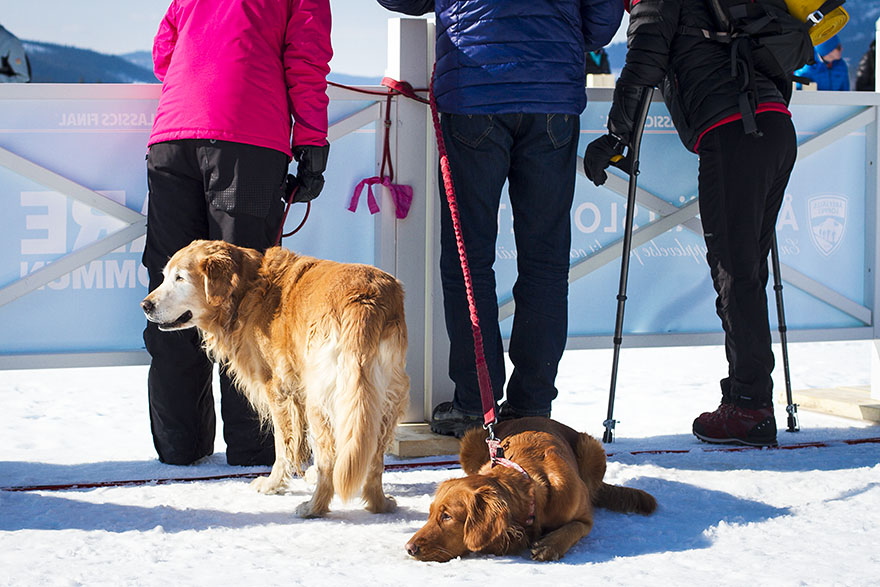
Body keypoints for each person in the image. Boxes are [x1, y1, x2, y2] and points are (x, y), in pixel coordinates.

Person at [377, 0, 623, 437]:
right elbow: (601, 26)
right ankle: (531, 406)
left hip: (475, 93)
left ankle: (477, 404)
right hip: (552, 95)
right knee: (545, 263)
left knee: (469, 262)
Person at [584, 0, 798, 447]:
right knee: (748, 271)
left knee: (735, 273)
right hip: (775, 125)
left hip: (732, 129)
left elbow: (642, 65)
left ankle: (749, 407)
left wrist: (615, 136)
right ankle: (750, 399)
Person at [142, 0, 332, 465]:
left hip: (173, 137)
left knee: (172, 288)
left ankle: (179, 446)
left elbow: (164, 50)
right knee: (249, 294)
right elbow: (306, 58)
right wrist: (311, 140)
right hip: (247, 134)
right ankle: (254, 446)